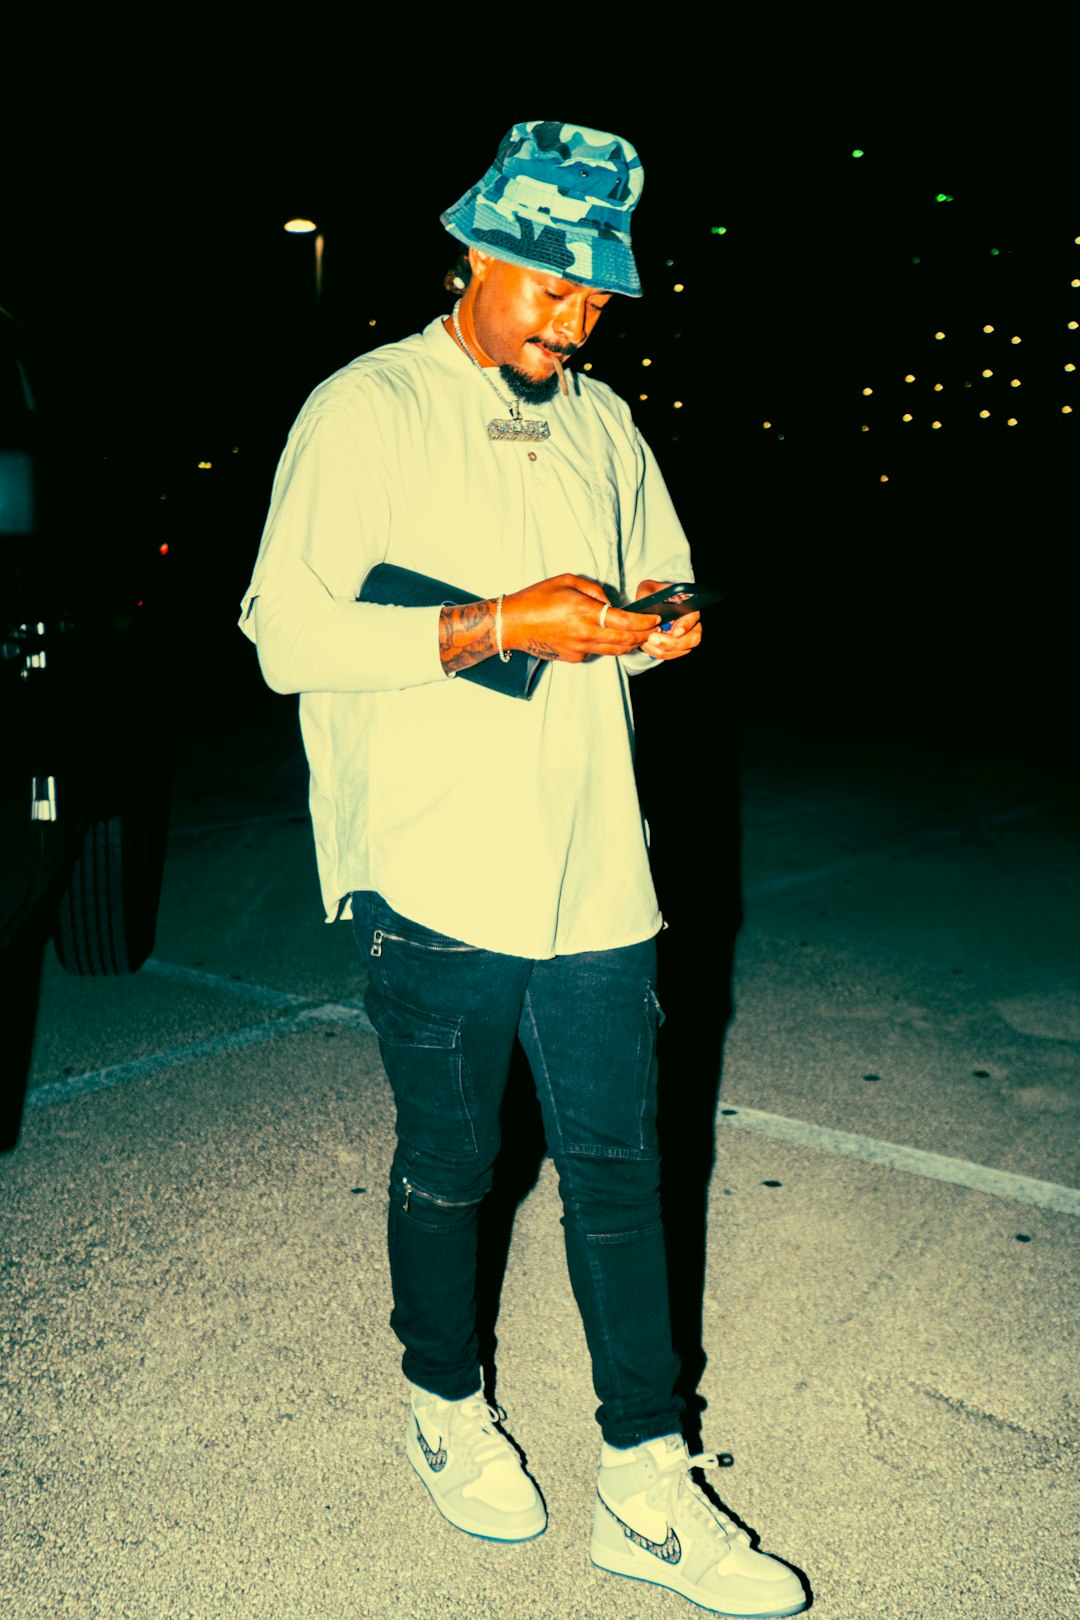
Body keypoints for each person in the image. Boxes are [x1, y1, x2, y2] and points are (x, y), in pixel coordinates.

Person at [240, 121, 807, 1618]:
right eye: (550, 288)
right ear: (475, 253)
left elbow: (660, 568)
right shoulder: (366, 410)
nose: (574, 320)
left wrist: (661, 620)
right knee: (455, 1165)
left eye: (596, 299)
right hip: (436, 876)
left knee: (626, 1173)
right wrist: (496, 626)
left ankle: (647, 1480)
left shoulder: (605, 421)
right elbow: (283, 637)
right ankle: (444, 1402)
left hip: (595, 870)